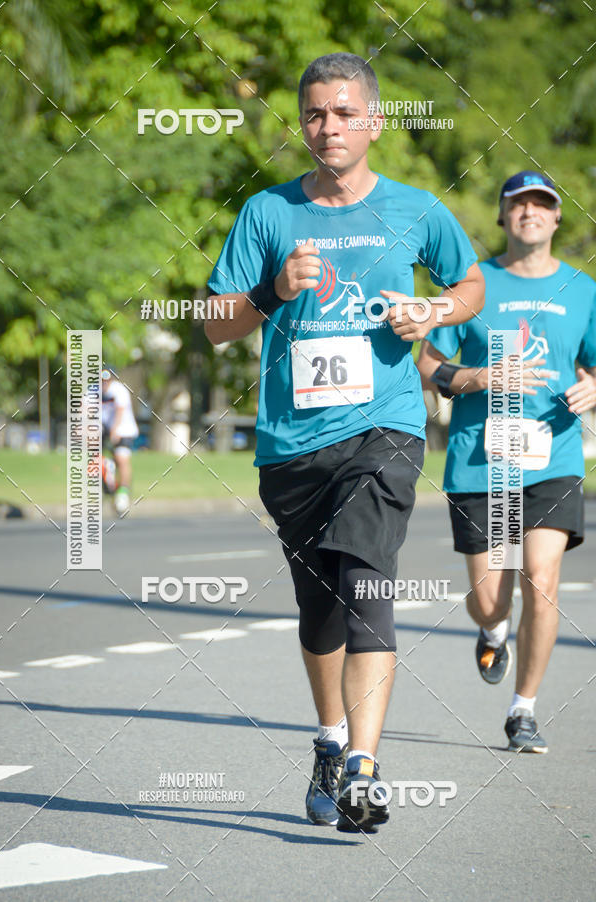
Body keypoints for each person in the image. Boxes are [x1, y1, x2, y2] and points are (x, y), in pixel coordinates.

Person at [205, 52, 484, 832]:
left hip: (383, 430)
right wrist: (272, 291)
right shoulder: (267, 213)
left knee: (367, 583)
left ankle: (364, 765)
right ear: (303, 123)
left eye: (343, 112)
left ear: (376, 121)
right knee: (321, 609)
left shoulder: (415, 209)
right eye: (316, 114)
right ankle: (330, 738)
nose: (328, 126)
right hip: (292, 444)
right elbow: (216, 323)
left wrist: (431, 313)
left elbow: (470, 287)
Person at [417, 170, 596, 753]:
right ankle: (493, 629)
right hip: (481, 461)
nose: (530, 213)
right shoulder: (474, 285)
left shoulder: (583, 289)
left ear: (556, 217)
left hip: (553, 457)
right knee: (492, 599)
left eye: (542, 204)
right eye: (518, 204)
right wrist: (471, 379)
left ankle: (523, 710)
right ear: (503, 216)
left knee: (541, 581)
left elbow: (593, 365)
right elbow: (427, 360)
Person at [101, 368, 139, 515]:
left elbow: (120, 410)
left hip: (123, 429)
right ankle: (106, 486)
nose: (104, 383)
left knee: (122, 459)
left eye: (107, 380)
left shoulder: (119, 390)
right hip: (104, 428)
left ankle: (123, 493)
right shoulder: (94, 390)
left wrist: (115, 430)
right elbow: (85, 407)